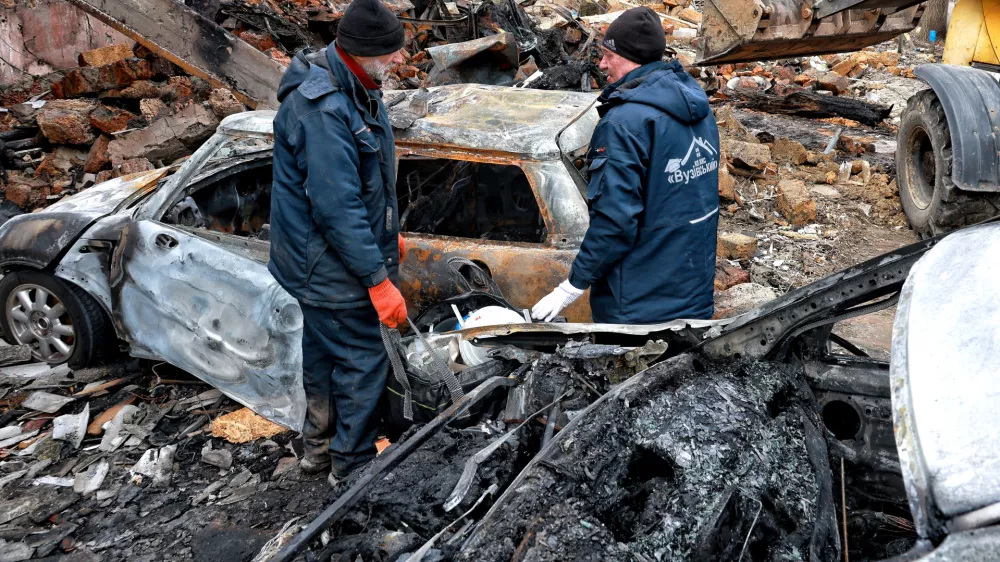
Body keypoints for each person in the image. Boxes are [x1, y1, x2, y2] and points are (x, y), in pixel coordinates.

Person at [269, 0, 409, 485]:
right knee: (362, 361)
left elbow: (367, 184)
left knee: (326, 355)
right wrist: (377, 280)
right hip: (327, 265)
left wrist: (392, 230)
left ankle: (319, 449)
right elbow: (336, 208)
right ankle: (351, 469)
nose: (398, 61)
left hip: (323, 258)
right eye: (391, 53)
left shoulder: (358, 87)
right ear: (364, 52)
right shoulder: (324, 110)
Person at [532, 7, 720, 325]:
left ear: (631, 56)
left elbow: (616, 223)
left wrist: (572, 286)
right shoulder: (697, 109)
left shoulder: (623, 123)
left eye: (608, 55)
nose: (602, 64)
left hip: (637, 309)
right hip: (694, 299)